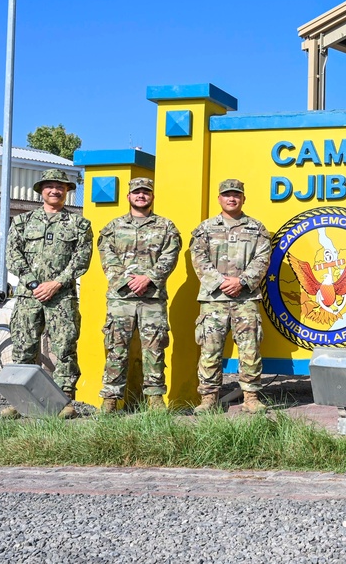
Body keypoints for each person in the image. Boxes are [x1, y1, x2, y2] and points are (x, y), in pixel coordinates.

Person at [3, 168, 93, 419]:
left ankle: (64, 401)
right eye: (50, 186)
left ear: (67, 191)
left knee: (64, 348)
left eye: (60, 186)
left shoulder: (79, 224)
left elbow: (81, 259)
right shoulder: (22, 222)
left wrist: (56, 283)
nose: (55, 190)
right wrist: (34, 284)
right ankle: (19, 401)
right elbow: (13, 255)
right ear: (41, 190)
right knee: (23, 348)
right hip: (28, 297)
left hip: (61, 297)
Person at [96, 177, 181, 412]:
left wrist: (149, 279)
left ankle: (155, 399)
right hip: (121, 298)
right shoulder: (112, 227)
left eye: (146, 192)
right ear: (128, 197)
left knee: (154, 348)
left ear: (152, 196)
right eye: (137, 192)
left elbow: (170, 256)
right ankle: (111, 399)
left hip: (151, 298)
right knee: (116, 347)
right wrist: (127, 282)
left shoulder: (166, 227)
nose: (141, 196)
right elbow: (107, 258)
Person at [190, 179, 271, 414]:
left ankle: (251, 397)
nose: (231, 198)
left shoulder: (257, 229)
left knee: (249, 349)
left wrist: (242, 281)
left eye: (236, 195)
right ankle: (208, 398)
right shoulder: (204, 229)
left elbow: (262, 259)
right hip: (213, 300)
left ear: (243, 198)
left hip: (245, 299)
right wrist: (221, 282)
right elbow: (199, 259)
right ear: (219, 199)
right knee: (210, 350)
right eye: (227, 195)